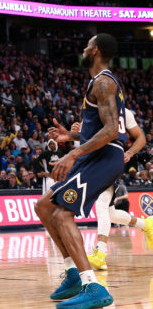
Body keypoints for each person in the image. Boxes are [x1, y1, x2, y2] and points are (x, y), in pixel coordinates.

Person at [34, 34, 129, 308]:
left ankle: (92, 285)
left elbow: (112, 131)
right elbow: (102, 128)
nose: (84, 49)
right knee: (43, 207)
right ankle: (74, 274)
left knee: (63, 215)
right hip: (95, 155)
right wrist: (72, 137)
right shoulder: (98, 83)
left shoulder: (104, 82)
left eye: (87, 46)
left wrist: (73, 152)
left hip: (105, 157)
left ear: (95, 50)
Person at [86, 109, 153, 270]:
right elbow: (89, 136)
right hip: (97, 160)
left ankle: (100, 253)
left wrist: (130, 152)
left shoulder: (123, 111)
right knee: (111, 214)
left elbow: (141, 137)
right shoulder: (95, 107)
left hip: (109, 158)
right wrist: (71, 134)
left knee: (101, 204)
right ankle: (146, 224)